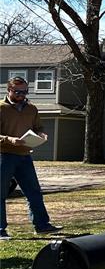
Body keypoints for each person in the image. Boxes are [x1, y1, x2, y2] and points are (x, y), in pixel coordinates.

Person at [1, 76, 62, 240]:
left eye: (25, 91)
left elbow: (38, 127)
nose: (22, 94)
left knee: (34, 191)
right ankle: (0, 230)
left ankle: (42, 226)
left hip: (24, 155)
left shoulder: (31, 108)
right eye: (18, 91)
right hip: (4, 155)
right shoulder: (1, 108)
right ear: (9, 90)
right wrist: (9, 139)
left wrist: (41, 134)